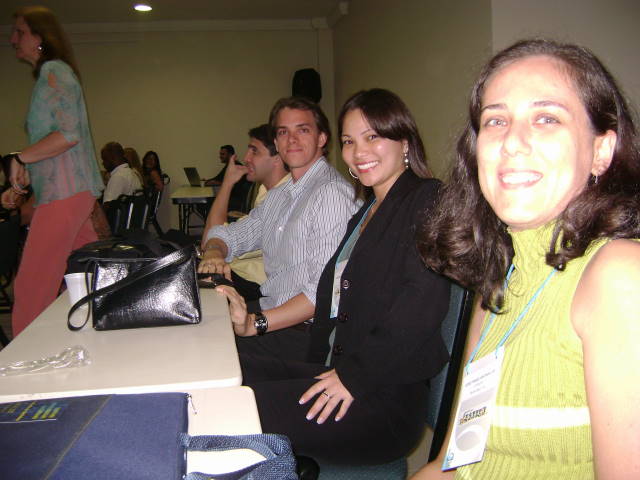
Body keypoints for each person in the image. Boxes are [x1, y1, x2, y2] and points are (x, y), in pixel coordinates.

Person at [413, 39, 640, 479]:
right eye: (496, 120)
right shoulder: (500, 282)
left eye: (546, 118)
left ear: (601, 151)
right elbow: (451, 465)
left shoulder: (619, 277)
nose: (512, 142)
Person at [217, 89, 450, 464]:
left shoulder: (426, 198)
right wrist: (257, 331)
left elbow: (421, 305)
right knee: (226, 374)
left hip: (382, 400)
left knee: (230, 409)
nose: (359, 152)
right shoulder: (368, 211)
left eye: (372, 136)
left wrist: (354, 376)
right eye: (350, 141)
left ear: (404, 141)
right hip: (343, 372)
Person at [200, 96, 359, 362]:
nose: (291, 139)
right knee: (200, 327)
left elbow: (324, 292)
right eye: (283, 132)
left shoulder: (330, 194)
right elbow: (231, 235)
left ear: (322, 138)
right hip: (272, 312)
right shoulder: (280, 195)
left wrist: (255, 323)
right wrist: (215, 251)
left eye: (303, 130)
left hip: (305, 334)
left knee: (204, 353)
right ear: (276, 141)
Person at [3, 6, 104, 337]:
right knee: (85, 279)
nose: (12, 39)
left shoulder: (54, 71)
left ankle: (25, 362)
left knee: (31, 286)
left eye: (20, 32)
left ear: (40, 36)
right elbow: (56, 145)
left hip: (66, 195)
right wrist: (24, 175)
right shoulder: (53, 74)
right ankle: (93, 344)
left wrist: (21, 159)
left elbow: (68, 134)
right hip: (69, 192)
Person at [200, 124, 289, 299]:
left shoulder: (283, 197)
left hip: (258, 285)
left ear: (277, 157)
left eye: (254, 151)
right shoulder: (266, 190)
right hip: (242, 274)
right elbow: (213, 238)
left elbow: (208, 240)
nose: (246, 158)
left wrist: (227, 183)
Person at [100, 141, 142, 209]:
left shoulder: (118, 177)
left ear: (113, 157)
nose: (103, 163)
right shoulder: (131, 172)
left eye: (105, 159)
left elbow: (107, 208)